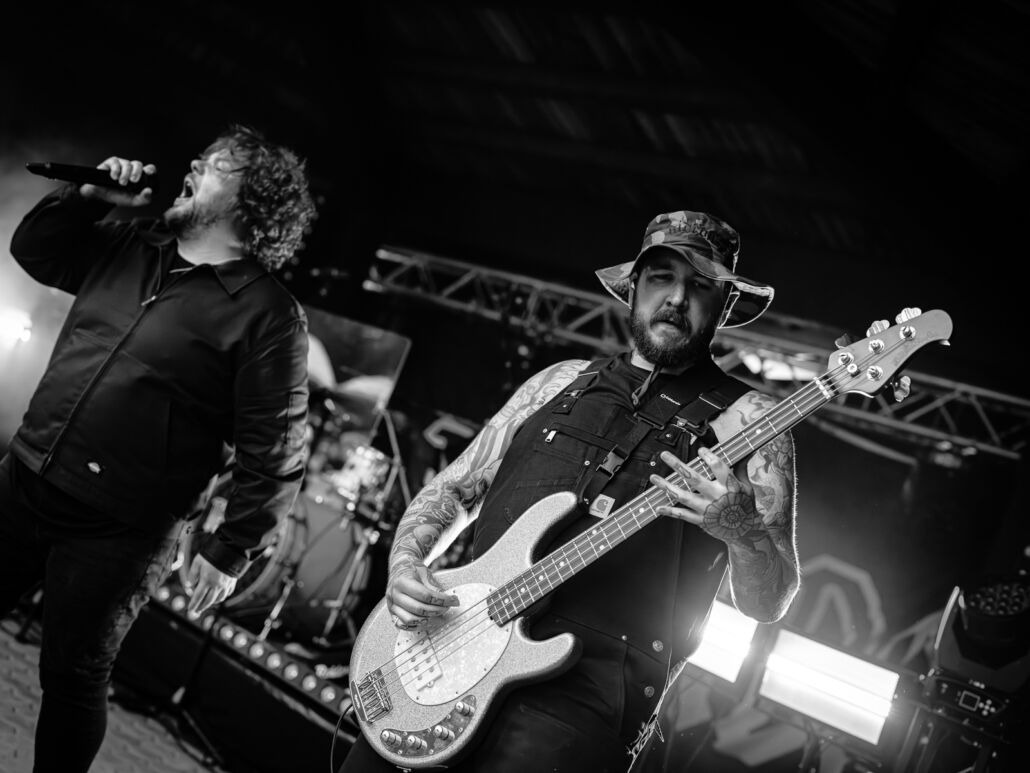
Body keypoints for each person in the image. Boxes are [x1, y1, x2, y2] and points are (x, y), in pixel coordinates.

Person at [339, 210, 911, 773]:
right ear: (633, 286)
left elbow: (771, 601)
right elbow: (454, 490)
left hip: (582, 703)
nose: (677, 299)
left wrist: (741, 529)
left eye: (701, 286)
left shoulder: (753, 420)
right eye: (662, 277)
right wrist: (406, 563)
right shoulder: (558, 381)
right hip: (450, 648)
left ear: (725, 305)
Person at [0, 124, 316, 773]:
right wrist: (85, 198)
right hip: (28, 471)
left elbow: (276, 448)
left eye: (216, 164)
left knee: (73, 679)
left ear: (252, 200)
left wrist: (232, 547)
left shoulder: (268, 315)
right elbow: (34, 250)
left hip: (119, 527)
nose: (193, 164)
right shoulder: (132, 243)